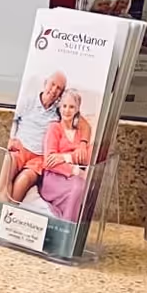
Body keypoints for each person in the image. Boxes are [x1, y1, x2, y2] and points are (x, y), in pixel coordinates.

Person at [0, 70, 65, 203]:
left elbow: (78, 119)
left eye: (59, 88)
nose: (53, 90)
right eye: (52, 84)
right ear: (45, 83)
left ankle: (9, 212)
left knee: (23, 180)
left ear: (61, 94)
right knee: (6, 169)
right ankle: (0, 209)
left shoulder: (60, 113)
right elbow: (12, 119)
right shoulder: (28, 101)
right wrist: (11, 138)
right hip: (20, 148)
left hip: (38, 158)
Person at [39, 88, 93, 223]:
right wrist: (75, 169)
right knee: (78, 187)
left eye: (71, 107)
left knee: (80, 187)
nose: (67, 110)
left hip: (74, 178)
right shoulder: (54, 128)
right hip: (54, 178)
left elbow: (85, 157)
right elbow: (49, 162)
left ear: (77, 109)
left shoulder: (81, 134)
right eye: (64, 106)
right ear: (59, 107)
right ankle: (67, 226)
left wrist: (64, 157)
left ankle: (69, 227)